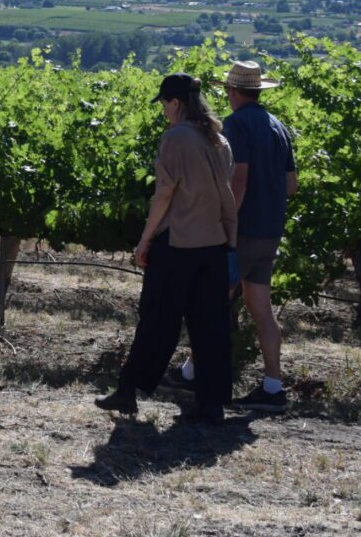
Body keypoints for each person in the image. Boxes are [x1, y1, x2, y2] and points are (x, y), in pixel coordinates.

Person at [97, 73, 237, 424]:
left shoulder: (176, 138)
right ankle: (212, 403)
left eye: (163, 103)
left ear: (175, 102)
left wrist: (145, 239)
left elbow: (164, 193)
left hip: (178, 243)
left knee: (157, 319)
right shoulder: (219, 140)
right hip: (214, 244)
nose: (162, 111)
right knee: (211, 324)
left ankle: (128, 391)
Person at [170, 61, 297, 412]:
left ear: (234, 92)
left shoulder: (237, 126)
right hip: (270, 232)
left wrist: (227, 226)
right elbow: (291, 186)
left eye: (228, 90)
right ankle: (273, 387)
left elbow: (237, 180)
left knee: (210, 302)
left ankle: (193, 374)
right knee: (262, 310)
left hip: (242, 232)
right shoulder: (279, 127)